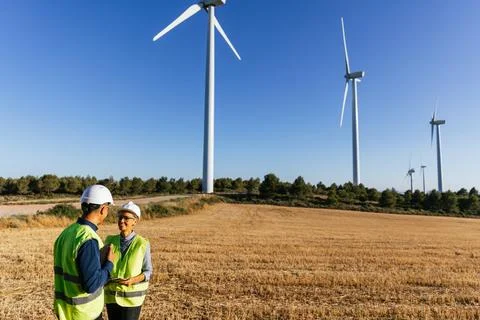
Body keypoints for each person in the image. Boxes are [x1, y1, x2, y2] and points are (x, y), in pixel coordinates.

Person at [53, 184, 116, 320]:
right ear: (103, 209)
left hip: (66, 311)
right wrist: (109, 264)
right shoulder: (88, 239)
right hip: (85, 314)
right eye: (108, 208)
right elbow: (91, 285)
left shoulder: (67, 233)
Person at [104, 201, 152, 320]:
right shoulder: (109, 241)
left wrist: (133, 280)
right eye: (120, 217)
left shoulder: (142, 244)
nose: (121, 221)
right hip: (111, 297)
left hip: (132, 301)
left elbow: (148, 272)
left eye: (126, 218)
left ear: (135, 221)